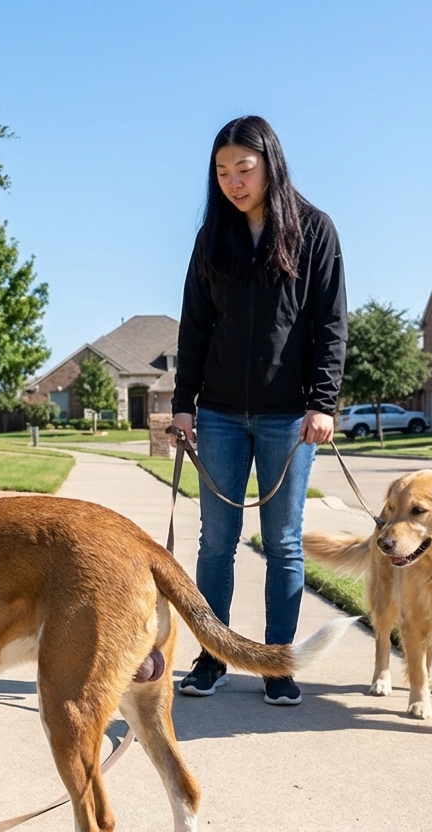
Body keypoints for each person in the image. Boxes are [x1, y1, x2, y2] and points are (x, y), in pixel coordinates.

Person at [172, 115, 347, 705]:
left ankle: (278, 664)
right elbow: (195, 326)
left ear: (270, 162)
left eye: (244, 168)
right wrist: (182, 406)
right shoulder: (210, 237)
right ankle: (213, 656)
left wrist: (322, 403)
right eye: (222, 171)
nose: (233, 182)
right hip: (218, 413)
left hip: (287, 418)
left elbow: (330, 326)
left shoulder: (315, 231)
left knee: (284, 543)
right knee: (215, 542)